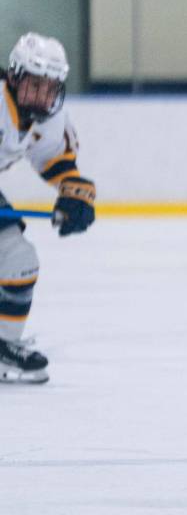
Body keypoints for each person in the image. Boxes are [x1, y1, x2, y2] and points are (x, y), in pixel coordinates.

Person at [0, 33, 96, 384]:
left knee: (19, 261)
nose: (43, 96)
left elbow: (54, 158)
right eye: (35, 85)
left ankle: (3, 347)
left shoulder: (48, 118)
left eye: (50, 87)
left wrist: (74, 194)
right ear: (14, 76)